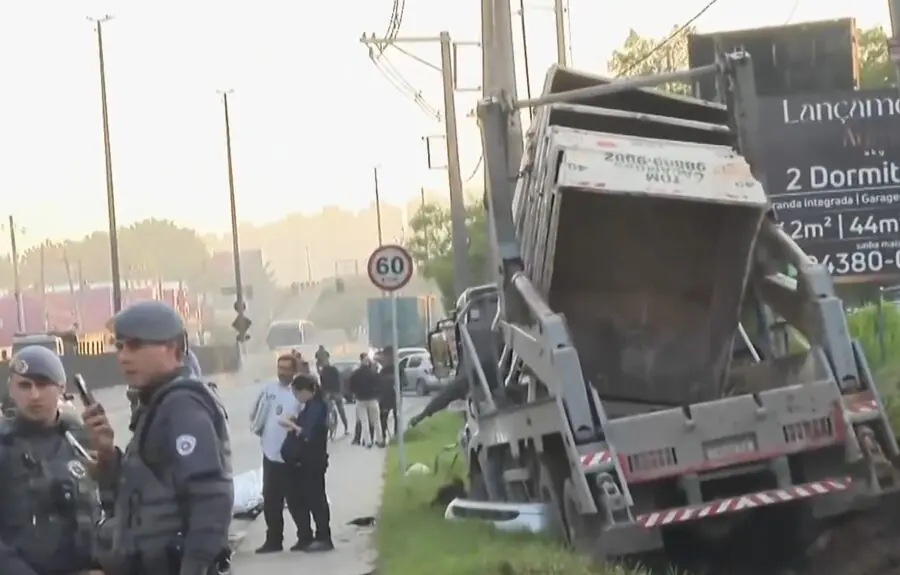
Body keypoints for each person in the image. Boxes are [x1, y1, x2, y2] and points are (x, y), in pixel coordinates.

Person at [82, 300, 233, 575]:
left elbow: (212, 497)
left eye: (136, 345)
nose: (124, 356)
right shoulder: (156, 404)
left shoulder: (181, 404)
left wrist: (195, 567)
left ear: (172, 349)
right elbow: (146, 493)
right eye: (120, 346)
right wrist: (108, 458)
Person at [0, 345, 104, 575]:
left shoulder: (83, 439)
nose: (34, 395)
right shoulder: (4, 445)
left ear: (61, 388)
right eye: (25, 386)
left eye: (43, 384)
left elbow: (114, 508)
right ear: (11, 389)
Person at [252, 354, 308, 553]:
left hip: (290, 455)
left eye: (286, 368)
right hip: (270, 453)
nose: (282, 372)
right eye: (279, 368)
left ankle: (305, 537)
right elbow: (259, 414)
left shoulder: (300, 392)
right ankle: (274, 540)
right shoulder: (269, 389)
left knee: (295, 499)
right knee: (271, 499)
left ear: (294, 370)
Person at [278, 375, 333, 552]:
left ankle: (324, 537)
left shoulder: (317, 407)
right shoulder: (310, 407)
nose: (297, 398)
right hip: (304, 460)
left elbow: (308, 434)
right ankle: (307, 536)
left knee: (316, 498)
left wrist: (291, 426)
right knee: (299, 498)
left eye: (297, 393)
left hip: (312, 460)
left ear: (306, 391)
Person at [349, 355, 383, 448]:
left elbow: (351, 385)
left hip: (360, 400)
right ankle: (380, 440)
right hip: (372, 399)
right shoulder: (373, 373)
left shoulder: (356, 374)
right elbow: (379, 384)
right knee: (376, 421)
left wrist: (354, 393)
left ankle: (368, 442)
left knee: (364, 421)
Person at [318, 357, 348, 436]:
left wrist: (323, 393)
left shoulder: (323, 371)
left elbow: (322, 383)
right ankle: (345, 427)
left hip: (329, 392)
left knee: (328, 410)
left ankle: (330, 428)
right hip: (335, 391)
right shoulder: (333, 369)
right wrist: (340, 391)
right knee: (340, 410)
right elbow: (339, 379)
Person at [375, 348, 398, 441]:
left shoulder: (389, 370)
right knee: (386, 417)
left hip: (390, 397)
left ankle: (389, 435)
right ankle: (386, 435)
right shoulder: (385, 370)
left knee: (390, 417)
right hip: (389, 397)